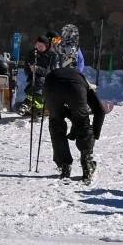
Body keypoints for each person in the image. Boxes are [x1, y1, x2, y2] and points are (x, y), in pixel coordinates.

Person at [44, 24, 97, 183]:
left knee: (56, 123)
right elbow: (78, 68)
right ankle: (87, 163)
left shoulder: (54, 47)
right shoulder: (76, 50)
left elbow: (48, 65)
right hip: (74, 87)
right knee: (83, 123)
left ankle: (63, 163)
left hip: (54, 86)